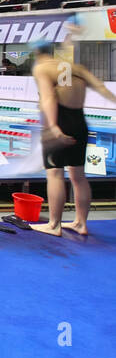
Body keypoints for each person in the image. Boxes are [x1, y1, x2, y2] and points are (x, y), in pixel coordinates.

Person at [30, 38, 116, 236]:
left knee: (54, 173)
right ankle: (80, 223)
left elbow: (49, 97)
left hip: (60, 120)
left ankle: (54, 225)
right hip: (80, 122)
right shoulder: (76, 68)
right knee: (79, 176)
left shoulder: (42, 68)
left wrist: (53, 127)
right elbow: (102, 88)